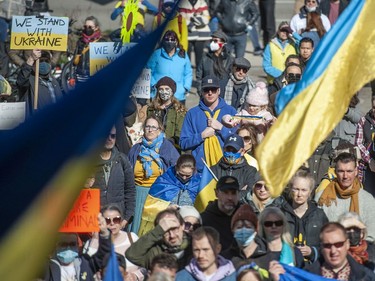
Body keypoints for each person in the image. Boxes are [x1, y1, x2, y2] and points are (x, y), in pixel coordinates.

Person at [269, 222, 375, 281]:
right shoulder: (306, 275)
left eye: (338, 244)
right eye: (327, 245)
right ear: (321, 247)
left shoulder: (366, 277)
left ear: (347, 244)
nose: (333, 251)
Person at [128, 115, 180, 234]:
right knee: (135, 230)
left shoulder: (167, 148)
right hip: (136, 195)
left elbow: (176, 170)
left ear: (159, 130)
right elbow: (127, 172)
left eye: (153, 127)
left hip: (157, 195)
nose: (150, 130)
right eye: (147, 126)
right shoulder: (136, 149)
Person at [180, 75, 236, 173]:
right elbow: (183, 143)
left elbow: (238, 142)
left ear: (219, 91)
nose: (210, 93)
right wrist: (201, 136)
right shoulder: (192, 114)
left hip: (226, 168)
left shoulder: (231, 111)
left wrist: (221, 128)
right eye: (206, 90)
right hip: (200, 170)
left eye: (213, 89)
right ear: (201, 92)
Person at [315, 152, 375, 242]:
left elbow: (371, 236)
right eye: (341, 171)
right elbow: (316, 233)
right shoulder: (322, 197)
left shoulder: (368, 200)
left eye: (349, 171)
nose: (345, 176)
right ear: (335, 172)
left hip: (360, 252)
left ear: (356, 172)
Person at [138, 155, 201, 235]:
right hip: (166, 226)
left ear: (194, 171)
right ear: (176, 168)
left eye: (188, 175)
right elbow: (149, 206)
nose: (184, 178)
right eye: (181, 174)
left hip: (188, 228)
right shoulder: (163, 181)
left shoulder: (199, 184)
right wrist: (166, 208)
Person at [83, 205, 146, 281]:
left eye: (116, 219)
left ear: (121, 221)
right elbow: (86, 270)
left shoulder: (132, 238)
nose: (112, 223)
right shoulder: (92, 242)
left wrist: (136, 276)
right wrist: (95, 241)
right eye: (107, 220)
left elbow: (146, 265)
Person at [42, 214, 111, 281]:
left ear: (77, 246)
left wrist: (104, 233)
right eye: (63, 244)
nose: (68, 248)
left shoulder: (85, 264)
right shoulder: (46, 269)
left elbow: (103, 255)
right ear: (56, 246)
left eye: (72, 244)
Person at [280, 168, 328, 263]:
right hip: (287, 266)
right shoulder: (281, 214)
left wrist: (312, 252)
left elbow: (328, 244)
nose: (299, 194)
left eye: (303, 190)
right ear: (290, 189)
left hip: (312, 268)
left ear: (310, 192)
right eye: (296, 189)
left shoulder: (319, 215)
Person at [94, 127, 136, 227]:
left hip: (117, 221)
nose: (110, 139)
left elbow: (130, 191)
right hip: (95, 221)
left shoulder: (122, 160)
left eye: (113, 136)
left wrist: (126, 219)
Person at [125, 209, 192, 270]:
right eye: (166, 231)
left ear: (182, 225)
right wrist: (157, 231)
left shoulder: (193, 247)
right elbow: (131, 255)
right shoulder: (155, 252)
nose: (172, 235)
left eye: (174, 229)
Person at [222, 204, 272, 275]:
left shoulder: (268, 257)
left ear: (255, 231)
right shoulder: (226, 259)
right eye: (239, 227)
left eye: (248, 227)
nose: (243, 230)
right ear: (233, 230)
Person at [147, 30, 192, 103]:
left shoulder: (183, 55)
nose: (169, 42)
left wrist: (186, 87)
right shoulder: (156, 54)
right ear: (163, 41)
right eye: (167, 39)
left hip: (178, 95)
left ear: (176, 41)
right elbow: (148, 71)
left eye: (172, 39)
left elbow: (188, 72)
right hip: (159, 94)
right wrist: (154, 85)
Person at [210, 134, 259, 201]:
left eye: (234, 150)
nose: (231, 153)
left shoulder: (250, 171)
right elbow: (209, 193)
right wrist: (240, 192)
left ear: (242, 152)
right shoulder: (212, 170)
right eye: (228, 150)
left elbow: (249, 194)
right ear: (223, 149)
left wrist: (224, 196)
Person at [17, 49, 63, 117]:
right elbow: (21, 81)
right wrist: (31, 59)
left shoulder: (54, 81)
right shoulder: (29, 80)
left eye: (46, 61)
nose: (44, 63)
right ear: (34, 64)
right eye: (41, 61)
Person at [201, 176, 241, 252]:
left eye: (233, 193)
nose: (230, 197)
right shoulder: (204, 220)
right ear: (216, 193)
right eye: (225, 192)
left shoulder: (246, 217)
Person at [147, 76, 187, 147]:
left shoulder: (180, 110)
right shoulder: (151, 109)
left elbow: (180, 132)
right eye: (161, 89)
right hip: (152, 146)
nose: (164, 92)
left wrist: (171, 141)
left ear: (172, 91)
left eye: (167, 89)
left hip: (172, 147)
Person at [196, 31, 235, 95]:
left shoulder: (229, 59)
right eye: (211, 40)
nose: (212, 43)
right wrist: (200, 92)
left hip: (224, 94)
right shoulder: (205, 58)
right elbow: (199, 77)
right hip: (208, 94)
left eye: (215, 41)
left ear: (222, 43)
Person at [73, 16, 106, 84]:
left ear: (96, 28)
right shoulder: (80, 41)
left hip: (95, 78)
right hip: (80, 76)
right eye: (85, 26)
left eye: (90, 27)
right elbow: (75, 60)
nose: (87, 29)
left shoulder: (102, 42)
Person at [178, 0, 211, 68]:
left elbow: (206, 18)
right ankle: (188, 75)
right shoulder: (182, 3)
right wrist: (192, 22)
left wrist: (193, 20)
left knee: (199, 57)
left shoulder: (202, 2)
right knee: (187, 57)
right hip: (188, 34)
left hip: (200, 35)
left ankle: (199, 76)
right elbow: (181, 18)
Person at [355, 96, 375, 196]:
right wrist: (370, 160)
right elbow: (358, 143)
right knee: (369, 196)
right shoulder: (363, 121)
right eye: (374, 107)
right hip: (368, 166)